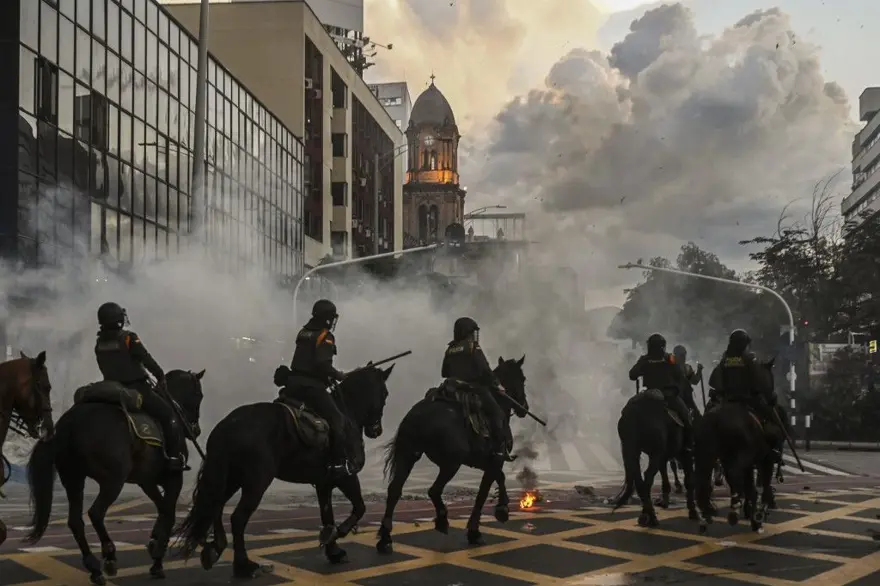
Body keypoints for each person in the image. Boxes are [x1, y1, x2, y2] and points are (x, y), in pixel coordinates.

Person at [94, 302, 186, 472]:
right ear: (119, 320)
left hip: (112, 388)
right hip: (137, 388)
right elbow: (146, 359)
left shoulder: (99, 343)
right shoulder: (129, 338)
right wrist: (159, 375)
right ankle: (172, 458)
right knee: (168, 416)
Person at [282, 299, 350, 478]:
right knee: (337, 420)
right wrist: (338, 375)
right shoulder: (325, 336)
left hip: (292, 385)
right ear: (328, 318)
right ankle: (337, 463)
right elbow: (322, 365)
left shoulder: (304, 332)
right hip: (311, 387)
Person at [709, 329, 784, 462]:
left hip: (726, 401)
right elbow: (760, 381)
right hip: (748, 401)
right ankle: (773, 451)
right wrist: (770, 397)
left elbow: (713, 381)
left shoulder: (724, 360)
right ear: (745, 345)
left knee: (708, 417)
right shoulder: (750, 360)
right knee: (773, 422)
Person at [441, 317, 509, 461]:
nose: (474, 335)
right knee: (498, 414)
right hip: (472, 388)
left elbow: (444, 373)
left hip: (451, 389)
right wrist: (497, 384)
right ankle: (498, 451)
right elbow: (485, 369)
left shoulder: (450, 349)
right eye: (472, 331)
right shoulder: (472, 346)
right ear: (467, 332)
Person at [629, 333, 693, 452]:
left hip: (649, 394)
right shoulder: (670, 358)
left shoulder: (645, 359)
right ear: (663, 347)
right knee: (686, 416)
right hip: (668, 396)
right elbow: (679, 375)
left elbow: (632, 375)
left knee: (628, 409)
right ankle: (689, 443)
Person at [672, 345, 703, 415]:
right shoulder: (670, 368)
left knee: (698, 419)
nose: (683, 357)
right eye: (681, 355)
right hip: (674, 398)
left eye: (684, 355)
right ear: (675, 356)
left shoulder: (687, 368)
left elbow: (694, 381)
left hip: (687, 399)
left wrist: (699, 371)